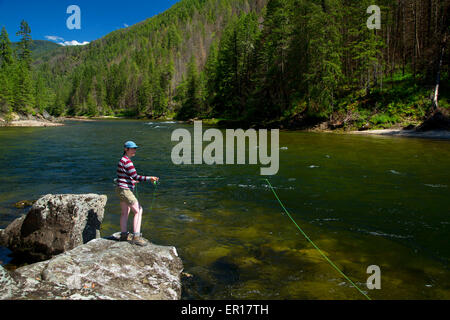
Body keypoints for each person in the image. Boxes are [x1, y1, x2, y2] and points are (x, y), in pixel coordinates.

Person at [116, 141, 159, 246]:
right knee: (139, 210)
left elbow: (124, 176)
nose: (134, 150)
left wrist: (132, 181)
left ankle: (124, 235)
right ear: (126, 149)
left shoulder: (122, 160)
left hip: (120, 189)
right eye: (132, 148)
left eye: (135, 148)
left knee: (125, 212)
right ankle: (136, 237)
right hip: (125, 190)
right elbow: (136, 176)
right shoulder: (128, 162)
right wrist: (150, 178)